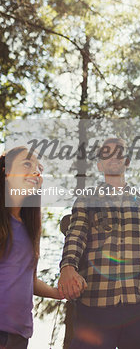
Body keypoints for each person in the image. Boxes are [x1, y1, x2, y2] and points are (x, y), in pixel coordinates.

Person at [58, 137, 140, 349]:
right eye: (106, 153)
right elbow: (76, 234)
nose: (113, 157)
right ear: (100, 164)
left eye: (118, 152)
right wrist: (67, 266)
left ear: (127, 161)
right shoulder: (87, 198)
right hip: (95, 302)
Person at [0, 146, 63, 349]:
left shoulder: (29, 229)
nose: (36, 171)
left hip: (20, 336)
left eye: (39, 168)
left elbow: (29, 280)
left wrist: (58, 293)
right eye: (27, 164)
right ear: (6, 172)